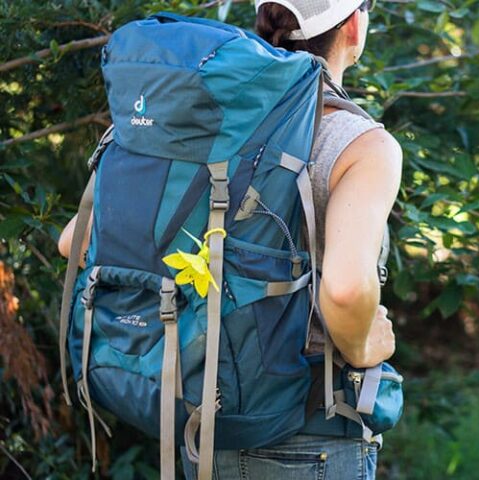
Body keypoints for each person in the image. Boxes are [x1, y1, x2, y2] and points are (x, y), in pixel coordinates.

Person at [58, 0, 402, 478]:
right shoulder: (363, 144)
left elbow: (72, 241)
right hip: (305, 432)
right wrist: (365, 345)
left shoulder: (201, 119)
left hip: (203, 414)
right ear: (353, 25)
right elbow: (344, 290)